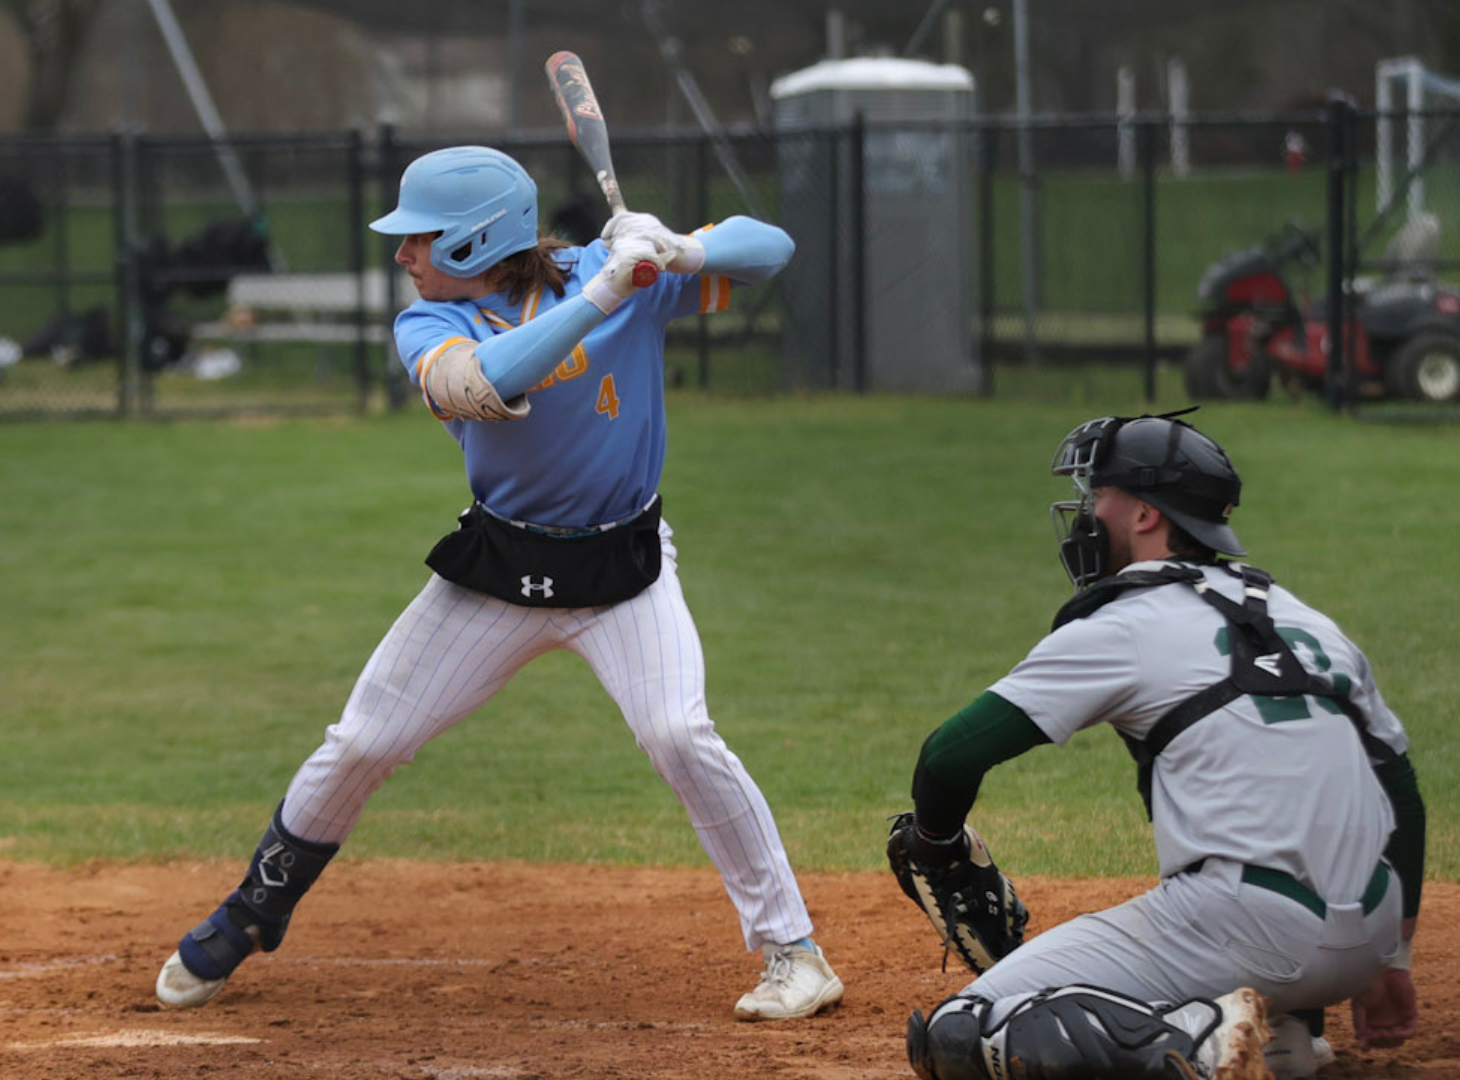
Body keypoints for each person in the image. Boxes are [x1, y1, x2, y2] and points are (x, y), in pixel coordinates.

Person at [153, 146, 842, 1021]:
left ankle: (796, 952)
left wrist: (680, 251)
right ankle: (254, 910)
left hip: (622, 569)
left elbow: (772, 247)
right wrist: (605, 296)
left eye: (420, 239)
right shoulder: (430, 326)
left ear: (479, 244)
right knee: (364, 741)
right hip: (501, 568)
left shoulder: (621, 269)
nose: (402, 255)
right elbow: (484, 382)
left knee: (678, 732)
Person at [896, 412, 1424, 1080]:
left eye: (1100, 495)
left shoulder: (1125, 622)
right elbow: (1401, 793)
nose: (1087, 512)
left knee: (957, 1031)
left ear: (1146, 515)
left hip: (1246, 927)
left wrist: (936, 846)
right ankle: (1286, 1032)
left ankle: (1200, 1040)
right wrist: (1390, 962)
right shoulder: (1302, 615)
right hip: (1369, 934)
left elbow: (950, 754)